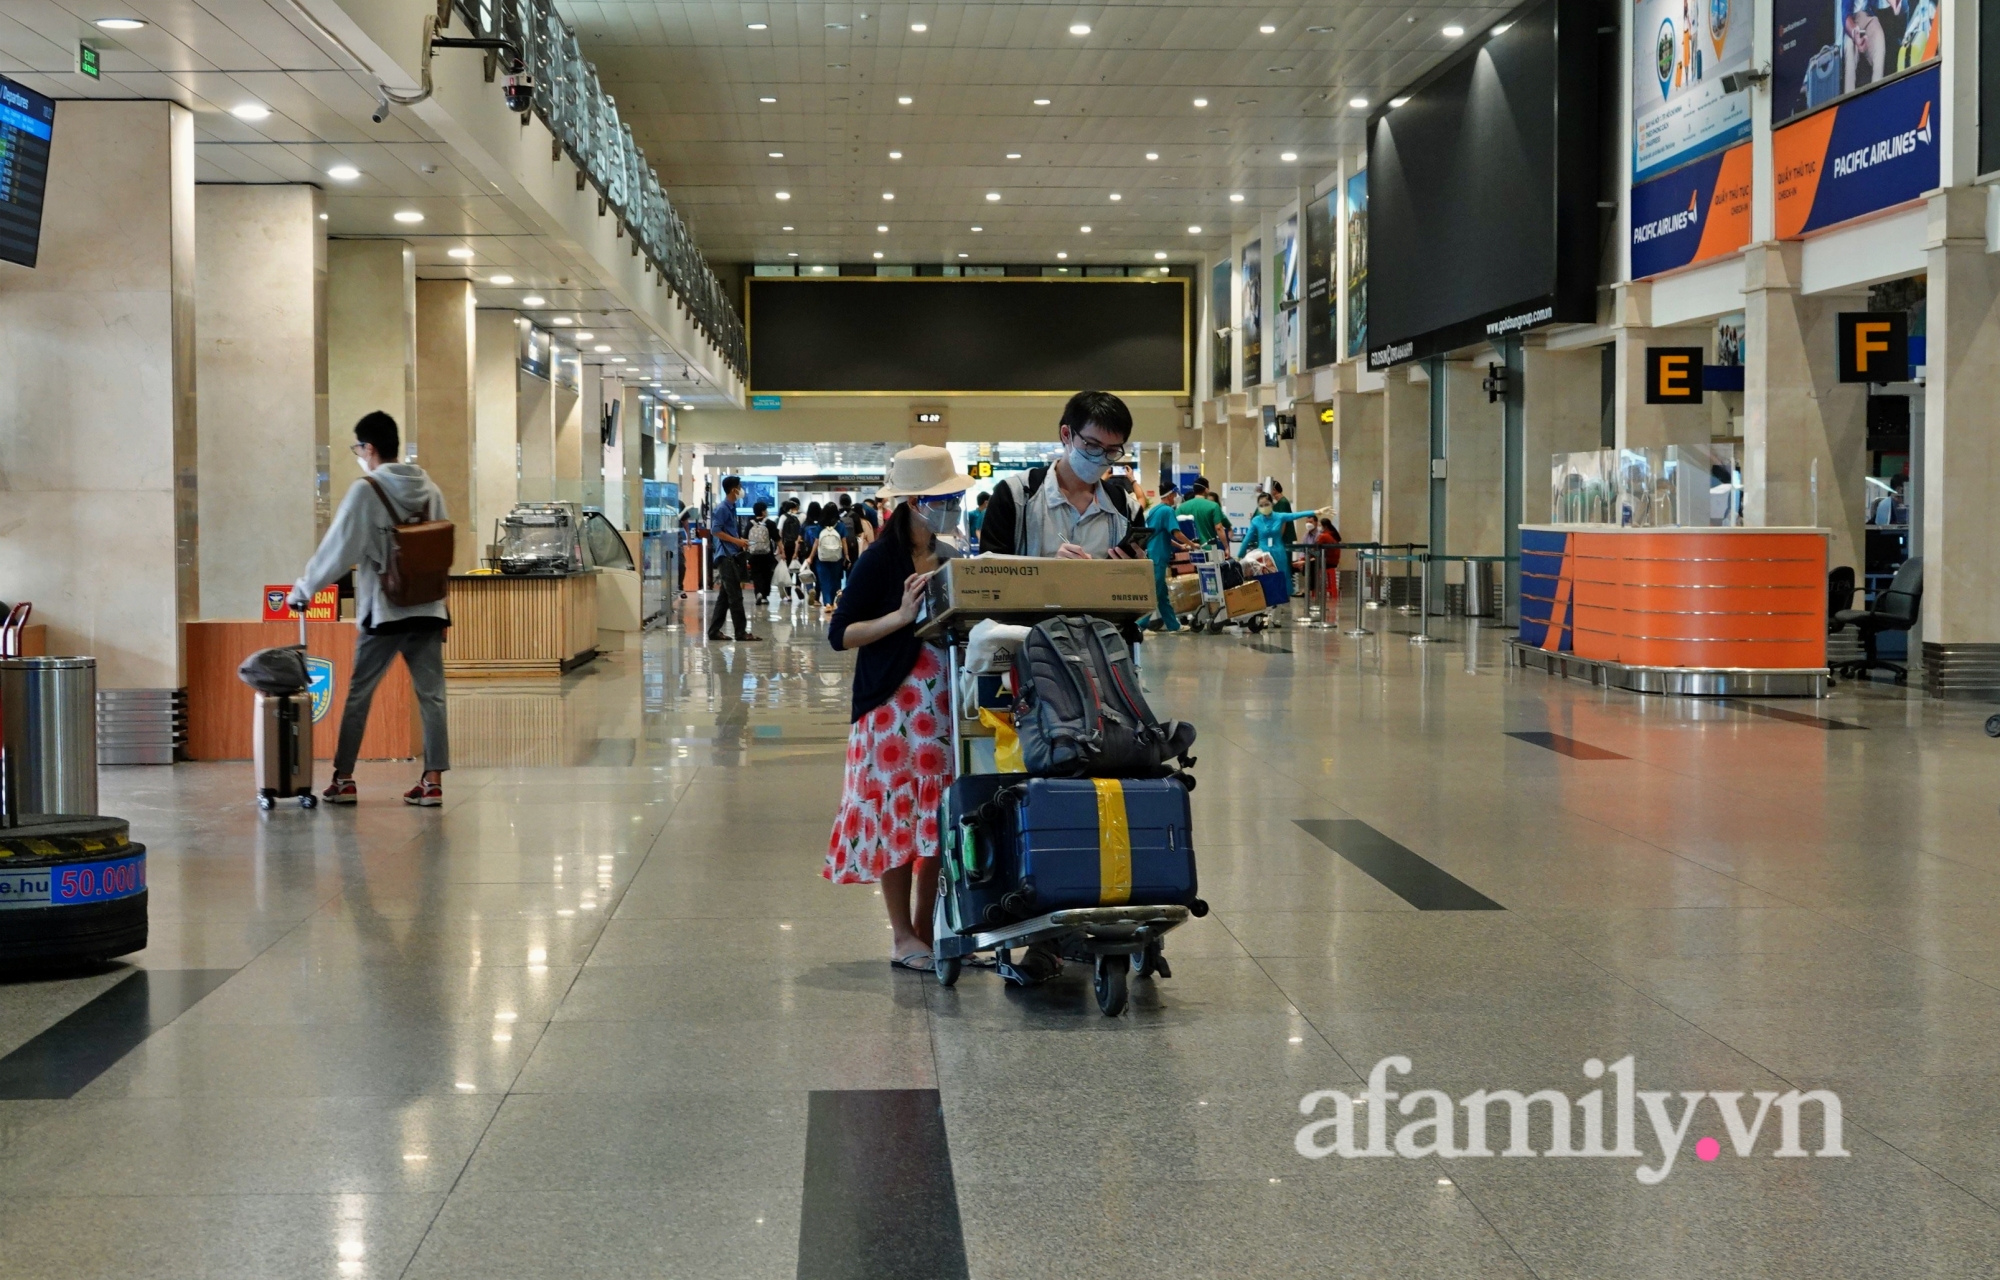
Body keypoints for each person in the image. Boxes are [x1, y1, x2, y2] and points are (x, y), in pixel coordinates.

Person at [824, 445, 973, 972]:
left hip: (942, 711)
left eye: (955, 497)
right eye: (943, 499)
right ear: (913, 502)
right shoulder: (877, 561)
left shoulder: (953, 560)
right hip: (889, 711)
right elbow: (840, 634)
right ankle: (902, 934)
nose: (952, 506)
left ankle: (929, 928)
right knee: (895, 818)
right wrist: (901, 615)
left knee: (935, 821)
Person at [289, 411, 449, 807]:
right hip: (428, 608)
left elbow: (339, 547)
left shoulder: (366, 491)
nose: (358, 454)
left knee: (360, 694)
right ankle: (432, 782)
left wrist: (305, 589)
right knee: (432, 696)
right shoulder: (430, 489)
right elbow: (440, 549)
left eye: (358, 447)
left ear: (370, 448)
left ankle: (343, 779)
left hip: (385, 612)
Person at [977, 389, 1149, 559]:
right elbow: (988, 578)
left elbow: (1138, 583)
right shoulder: (1015, 496)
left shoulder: (1126, 508)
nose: (1100, 457)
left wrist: (1133, 574)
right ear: (1066, 434)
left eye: (1112, 450)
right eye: (1092, 445)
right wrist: (1052, 572)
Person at [706, 475, 761, 643]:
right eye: (740, 486)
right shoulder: (722, 508)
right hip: (726, 557)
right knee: (735, 596)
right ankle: (741, 632)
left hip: (732, 554)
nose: (741, 489)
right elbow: (715, 531)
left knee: (725, 596)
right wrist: (736, 541)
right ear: (733, 489)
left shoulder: (731, 507)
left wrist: (739, 542)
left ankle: (714, 631)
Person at [1141, 486, 1196, 632]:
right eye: (1175, 494)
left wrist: (1181, 546)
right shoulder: (1168, 511)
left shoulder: (1155, 510)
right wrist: (1192, 544)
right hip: (1158, 556)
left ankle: (1173, 625)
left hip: (1153, 552)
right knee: (1156, 593)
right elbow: (1176, 532)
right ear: (1170, 494)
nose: (1176, 497)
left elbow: (1162, 533)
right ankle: (1139, 625)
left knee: (1162, 595)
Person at [1237, 491, 1320, 561]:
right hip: (1263, 555)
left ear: (1272, 504)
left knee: (1281, 578)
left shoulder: (1279, 516)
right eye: (1261, 505)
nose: (1264, 507)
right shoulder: (1256, 520)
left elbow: (1296, 515)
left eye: (1266, 504)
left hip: (1279, 555)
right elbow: (1247, 539)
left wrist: (1315, 512)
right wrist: (1239, 556)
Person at [745, 499, 780, 606]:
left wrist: (745, 554)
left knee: (756, 574)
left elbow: (744, 539)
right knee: (766, 574)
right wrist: (781, 551)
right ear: (764, 512)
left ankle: (758, 592)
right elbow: (777, 539)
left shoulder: (750, 524)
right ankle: (764, 596)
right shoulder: (770, 524)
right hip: (766, 554)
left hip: (753, 554)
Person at [1178, 478, 1229, 549]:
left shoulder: (1182, 507)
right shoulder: (1213, 506)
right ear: (1206, 490)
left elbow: (1176, 529)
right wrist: (1226, 547)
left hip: (1189, 549)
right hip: (1209, 548)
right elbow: (1219, 528)